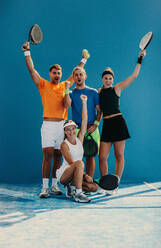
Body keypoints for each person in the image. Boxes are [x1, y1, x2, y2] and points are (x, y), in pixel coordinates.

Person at [22, 41, 87, 198]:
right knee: (47, 155)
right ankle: (44, 187)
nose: (57, 75)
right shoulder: (43, 84)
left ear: (61, 75)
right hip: (48, 126)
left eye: (59, 73)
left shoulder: (65, 85)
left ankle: (54, 185)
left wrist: (83, 60)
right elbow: (32, 70)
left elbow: (77, 72)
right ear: (50, 74)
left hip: (61, 126)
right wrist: (27, 52)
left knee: (58, 155)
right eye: (54, 73)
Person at [98, 50, 146, 185]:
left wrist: (140, 59)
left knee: (119, 155)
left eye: (110, 78)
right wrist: (95, 123)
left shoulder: (117, 88)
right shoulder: (99, 92)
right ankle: (105, 182)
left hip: (118, 123)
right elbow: (99, 112)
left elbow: (134, 76)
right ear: (102, 79)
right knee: (102, 157)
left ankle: (115, 182)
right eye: (106, 78)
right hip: (107, 125)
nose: (108, 80)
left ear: (113, 80)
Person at [57, 94, 93, 203]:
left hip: (76, 173)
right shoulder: (64, 145)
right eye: (68, 129)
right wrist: (85, 175)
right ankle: (78, 194)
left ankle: (71, 187)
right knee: (79, 163)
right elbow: (72, 163)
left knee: (93, 188)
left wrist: (84, 102)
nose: (71, 131)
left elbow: (84, 119)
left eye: (73, 129)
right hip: (64, 175)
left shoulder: (79, 140)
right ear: (64, 132)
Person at [67, 66, 102, 178]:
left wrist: (96, 125)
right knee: (75, 157)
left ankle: (88, 181)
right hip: (76, 129)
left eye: (80, 74)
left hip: (91, 128)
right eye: (76, 75)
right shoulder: (71, 94)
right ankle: (77, 183)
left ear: (85, 76)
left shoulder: (93, 92)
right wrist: (66, 90)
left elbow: (100, 111)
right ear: (73, 77)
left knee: (90, 156)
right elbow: (67, 106)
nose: (78, 77)